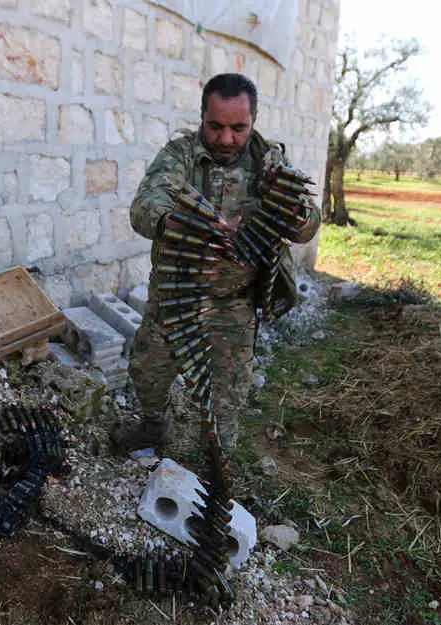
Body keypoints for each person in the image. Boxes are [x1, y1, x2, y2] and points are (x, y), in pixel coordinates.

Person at [109, 73, 321, 456]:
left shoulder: (270, 162)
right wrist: (182, 221)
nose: (226, 139)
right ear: (202, 116)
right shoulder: (180, 155)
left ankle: (217, 465)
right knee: (147, 373)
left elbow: (309, 224)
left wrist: (296, 215)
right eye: (215, 126)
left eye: (238, 128)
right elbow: (145, 208)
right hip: (178, 294)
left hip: (235, 302)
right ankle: (154, 427)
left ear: (254, 120)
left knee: (228, 395)